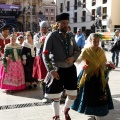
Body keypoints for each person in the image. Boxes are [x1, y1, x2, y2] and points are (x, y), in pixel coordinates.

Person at [42, 13, 81, 120]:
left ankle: (66, 110)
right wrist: (51, 70)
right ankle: (57, 116)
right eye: (63, 23)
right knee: (56, 96)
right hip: (57, 70)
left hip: (70, 69)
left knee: (73, 94)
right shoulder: (52, 36)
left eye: (67, 23)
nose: (65, 25)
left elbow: (78, 50)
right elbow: (45, 54)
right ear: (58, 24)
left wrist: (73, 57)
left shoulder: (71, 36)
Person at [71, 33, 114, 120]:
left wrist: (107, 72)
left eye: (97, 41)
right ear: (90, 41)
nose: (96, 43)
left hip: (100, 77)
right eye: (94, 41)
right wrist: (72, 57)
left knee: (100, 96)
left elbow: (103, 64)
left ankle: (98, 113)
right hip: (89, 77)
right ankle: (92, 113)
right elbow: (78, 61)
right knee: (89, 96)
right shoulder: (86, 51)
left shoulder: (101, 51)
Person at [32, 21, 48, 102]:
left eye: (46, 28)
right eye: (43, 28)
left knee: (49, 76)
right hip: (40, 58)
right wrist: (41, 40)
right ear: (40, 28)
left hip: (49, 58)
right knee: (42, 77)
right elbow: (36, 45)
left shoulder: (50, 35)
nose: (45, 30)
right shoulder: (36, 36)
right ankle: (44, 94)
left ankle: (50, 93)